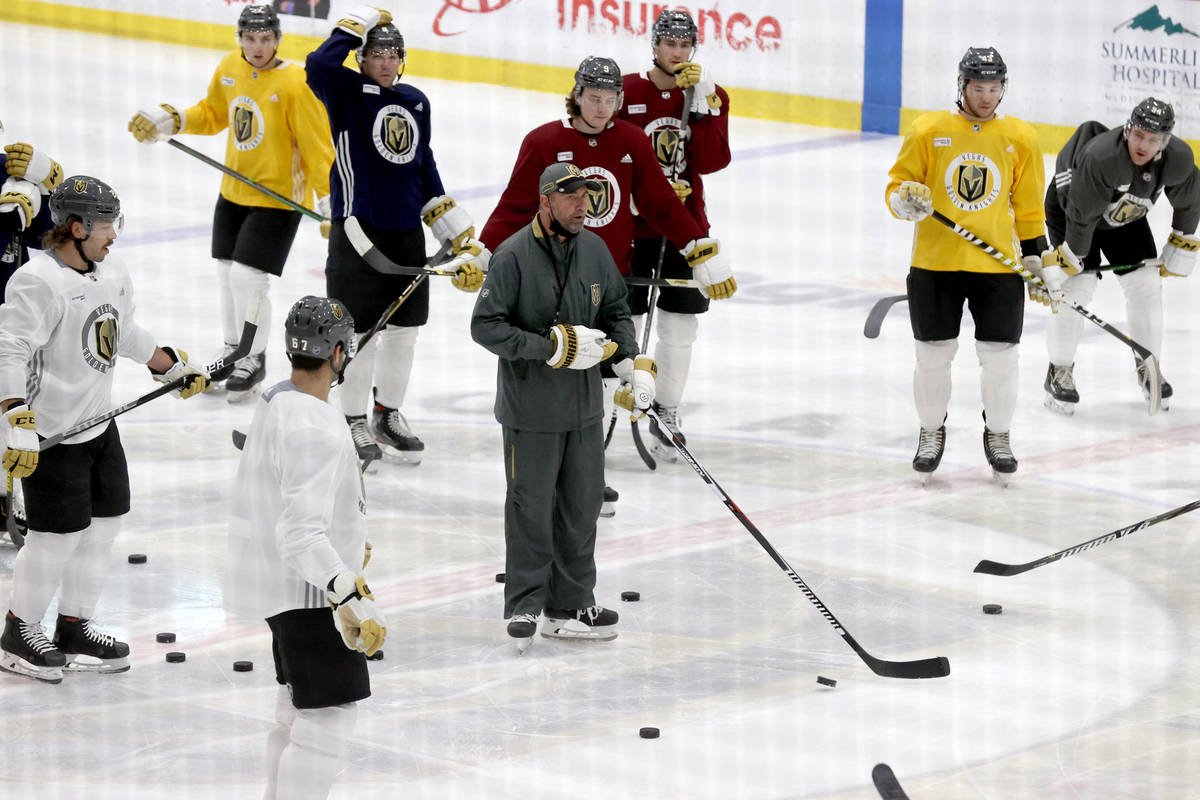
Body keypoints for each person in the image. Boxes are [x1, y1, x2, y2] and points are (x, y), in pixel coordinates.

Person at [480, 53, 734, 512]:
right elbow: (516, 205)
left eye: (611, 98)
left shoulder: (633, 141)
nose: (602, 107)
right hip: (549, 281)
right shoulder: (543, 141)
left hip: (605, 280)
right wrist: (482, 252)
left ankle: (585, 478)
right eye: (594, 97)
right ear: (576, 95)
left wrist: (699, 247)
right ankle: (550, 479)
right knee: (557, 384)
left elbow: (658, 205)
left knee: (598, 381)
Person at [0, 176, 211, 684]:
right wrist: (15, 419)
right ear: (76, 228)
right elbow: (9, 349)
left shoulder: (111, 270)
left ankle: (73, 625)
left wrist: (168, 364)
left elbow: (123, 330)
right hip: (50, 434)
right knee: (54, 539)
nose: (113, 234)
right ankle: (17, 632)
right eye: (105, 224)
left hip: (98, 427)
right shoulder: (37, 281)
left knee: (103, 528)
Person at [471, 162, 657, 653]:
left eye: (587, 195)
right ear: (545, 201)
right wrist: (546, 348)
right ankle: (526, 604)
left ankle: (571, 604)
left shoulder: (595, 251)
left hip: (583, 411)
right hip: (530, 412)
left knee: (582, 504)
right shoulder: (512, 256)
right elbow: (485, 326)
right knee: (531, 509)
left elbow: (616, 311)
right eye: (572, 196)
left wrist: (629, 362)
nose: (583, 205)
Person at [306, 5, 489, 465]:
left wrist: (454, 229)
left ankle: (386, 414)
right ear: (362, 58)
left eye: (393, 54)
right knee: (359, 331)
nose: (386, 62)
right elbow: (318, 64)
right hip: (357, 231)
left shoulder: (416, 101)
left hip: (407, 232)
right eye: (376, 53)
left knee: (404, 332)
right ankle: (351, 420)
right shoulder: (345, 90)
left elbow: (422, 166)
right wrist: (356, 23)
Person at [127, 4, 334, 401]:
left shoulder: (295, 82)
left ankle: (252, 357)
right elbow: (213, 113)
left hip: (278, 199)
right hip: (233, 191)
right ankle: (233, 346)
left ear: (278, 39)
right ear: (240, 38)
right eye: (250, 38)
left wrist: (328, 201)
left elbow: (317, 148)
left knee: (247, 278)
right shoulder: (229, 68)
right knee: (225, 273)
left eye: (266, 38)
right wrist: (171, 119)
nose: (258, 47)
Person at [225, 295, 387, 800]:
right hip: (310, 596)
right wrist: (350, 596)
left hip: (286, 588)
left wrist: (346, 538)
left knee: (296, 715)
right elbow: (300, 534)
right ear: (338, 353)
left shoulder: (279, 398)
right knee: (326, 725)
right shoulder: (311, 426)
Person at [885, 47, 1052, 485]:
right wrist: (905, 200)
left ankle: (998, 435)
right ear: (962, 86)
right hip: (935, 264)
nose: (986, 96)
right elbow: (896, 188)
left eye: (994, 88)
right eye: (978, 87)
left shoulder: (1020, 137)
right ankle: (930, 431)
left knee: (1001, 358)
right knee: (933, 356)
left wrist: (1036, 257)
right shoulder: (929, 130)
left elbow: (1030, 207)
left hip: (997, 268)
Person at [617, 9, 731, 461]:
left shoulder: (709, 94)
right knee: (624, 319)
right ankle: (623, 394)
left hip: (686, 228)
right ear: (655, 44)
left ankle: (667, 409)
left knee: (680, 325)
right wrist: (637, 197)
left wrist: (701, 104)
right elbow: (611, 157)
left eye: (685, 45)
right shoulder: (626, 91)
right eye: (670, 43)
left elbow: (711, 161)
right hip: (631, 227)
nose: (677, 52)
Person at [1042, 97, 1200, 414]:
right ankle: (1059, 372)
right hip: (1072, 213)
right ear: (1128, 129)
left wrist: (1180, 243)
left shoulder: (1178, 158)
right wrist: (1068, 263)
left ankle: (1148, 366)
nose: (1143, 144)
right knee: (1078, 287)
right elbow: (1081, 217)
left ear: (1165, 143)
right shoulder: (1102, 158)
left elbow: (1189, 200)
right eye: (1139, 134)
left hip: (1124, 216)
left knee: (1146, 283)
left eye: (1153, 139)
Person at [1, 127, 63, 297]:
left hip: (14, 305)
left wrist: (45, 187)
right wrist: (6, 220)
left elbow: (46, 239)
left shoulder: (7, 169)